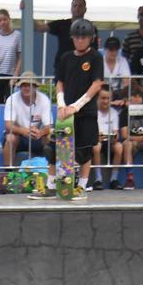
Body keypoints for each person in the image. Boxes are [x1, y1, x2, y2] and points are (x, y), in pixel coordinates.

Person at [55, 18, 102, 199]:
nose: (80, 40)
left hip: (86, 111)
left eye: (84, 37)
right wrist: (61, 104)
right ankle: (57, 185)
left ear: (90, 38)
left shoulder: (95, 57)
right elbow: (60, 82)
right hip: (66, 112)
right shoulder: (66, 57)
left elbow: (97, 83)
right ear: (72, 38)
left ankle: (82, 187)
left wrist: (77, 105)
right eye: (77, 37)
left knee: (84, 151)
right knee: (59, 149)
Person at [2, 71, 50, 167]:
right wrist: (23, 131)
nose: (26, 88)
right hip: (19, 136)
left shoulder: (44, 99)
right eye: (24, 85)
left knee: (50, 137)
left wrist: (40, 133)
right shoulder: (12, 99)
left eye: (30, 85)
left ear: (35, 87)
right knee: (10, 138)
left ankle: (49, 171)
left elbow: (48, 126)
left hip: (36, 136)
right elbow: (8, 125)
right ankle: (8, 174)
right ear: (20, 87)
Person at [36, 0, 96, 64]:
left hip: (83, 67)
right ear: (71, 8)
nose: (77, 8)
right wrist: (26, 10)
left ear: (85, 9)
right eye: (74, 6)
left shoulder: (91, 28)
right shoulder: (62, 24)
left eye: (80, 6)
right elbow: (39, 28)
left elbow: (94, 50)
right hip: (63, 66)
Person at [92, 88, 124, 190]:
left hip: (109, 141)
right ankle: (98, 179)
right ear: (98, 98)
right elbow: (92, 134)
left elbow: (116, 135)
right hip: (95, 141)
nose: (105, 101)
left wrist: (105, 136)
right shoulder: (93, 112)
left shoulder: (114, 112)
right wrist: (99, 136)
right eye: (103, 98)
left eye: (108, 98)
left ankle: (114, 179)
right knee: (97, 146)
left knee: (119, 147)